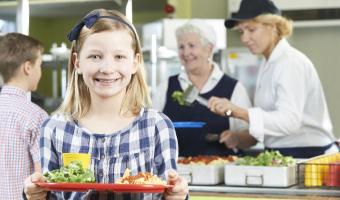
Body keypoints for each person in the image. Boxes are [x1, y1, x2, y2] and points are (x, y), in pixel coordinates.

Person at [23, 9, 188, 199]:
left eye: (119, 57)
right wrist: (34, 195)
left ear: (135, 63)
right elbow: (48, 192)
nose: (107, 68)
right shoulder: (55, 129)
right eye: (95, 56)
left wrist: (177, 195)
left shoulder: (157, 126)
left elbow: (169, 189)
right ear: (77, 63)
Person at [208, 0, 339, 158]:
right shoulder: (269, 63)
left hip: (307, 155)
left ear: (273, 26)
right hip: (284, 154)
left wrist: (239, 112)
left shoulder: (289, 62)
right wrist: (238, 137)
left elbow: (289, 121)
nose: (244, 38)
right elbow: (270, 123)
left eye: (251, 29)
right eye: (242, 31)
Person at [153, 20, 252, 157]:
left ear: (209, 49)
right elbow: (151, 130)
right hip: (175, 172)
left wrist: (237, 138)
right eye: (181, 47)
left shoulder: (234, 88)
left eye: (192, 46)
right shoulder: (166, 86)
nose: (186, 52)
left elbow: (251, 137)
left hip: (220, 171)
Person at [0, 33, 48, 199]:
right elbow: (42, 180)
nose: (40, 72)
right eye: (40, 65)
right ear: (28, 67)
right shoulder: (36, 117)